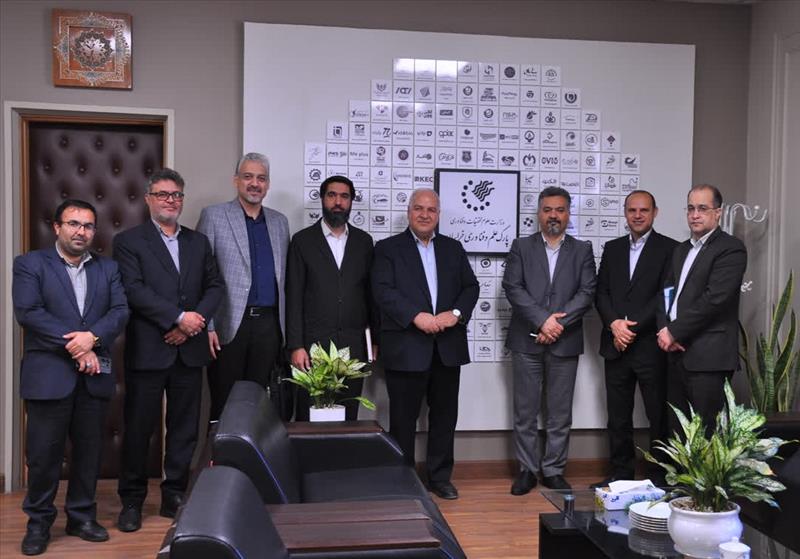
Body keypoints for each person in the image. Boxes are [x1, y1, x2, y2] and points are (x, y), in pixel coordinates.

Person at [12, 199, 129, 555]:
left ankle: (81, 517)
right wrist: (79, 347)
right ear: (57, 227)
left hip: (93, 379)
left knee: (89, 453)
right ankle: (38, 524)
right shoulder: (30, 264)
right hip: (49, 376)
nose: (81, 231)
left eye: (88, 226)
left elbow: (120, 310)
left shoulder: (108, 268)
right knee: (43, 456)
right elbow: (29, 312)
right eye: (74, 224)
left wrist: (92, 338)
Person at [113, 168, 223, 532]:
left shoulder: (198, 242)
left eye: (176, 195)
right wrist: (178, 318)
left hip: (189, 351)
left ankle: (174, 493)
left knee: (184, 428)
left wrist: (194, 322)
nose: (170, 201)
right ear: (148, 199)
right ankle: (132, 500)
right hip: (150, 348)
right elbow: (134, 290)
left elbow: (215, 286)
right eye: (162, 194)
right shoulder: (129, 242)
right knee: (139, 428)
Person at [371, 188, 478, 500]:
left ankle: (440, 478)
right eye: (419, 208)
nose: (424, 214)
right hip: (406, 346)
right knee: (402, 420)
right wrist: (415, 316)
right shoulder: (387, 249)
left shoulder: (453, 249)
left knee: (445, 418)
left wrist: (454, 315)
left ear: (438, 214)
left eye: (431, 209)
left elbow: (471, 287)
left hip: (447, 348)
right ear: (409, 212)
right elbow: (382, 290)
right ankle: (402, 480)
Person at [503, 186, 596, 495]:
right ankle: (527, 470)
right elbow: (513, 287)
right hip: (526, 340)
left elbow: (587, 292)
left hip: (564, 342)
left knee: (560, 413)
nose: (553, 215)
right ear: (539, 213)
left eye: (560, 210)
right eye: (547, 210)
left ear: (568, 214)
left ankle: (554, 470)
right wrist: (543, 320)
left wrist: (557, 324)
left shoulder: (582, 250)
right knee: (525, 412)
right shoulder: (521, 246)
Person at [592, 190, 677, 487]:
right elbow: (601, 292)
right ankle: (621, 475)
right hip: (615, 345)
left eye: (644, 210)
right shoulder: (612, 248)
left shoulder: (670, 249)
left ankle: (660, 476)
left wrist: (630, 329)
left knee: (658, 416)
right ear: (625, 213)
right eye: (632, 210)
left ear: (655, 212)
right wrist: (615, 325)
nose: (637, 215)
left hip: (650, 347)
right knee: (617, 416)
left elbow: (665, 297)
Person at [196, 152, 289, 421]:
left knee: (259, 406)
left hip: (269, 327)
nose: (254, 184)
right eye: (248, 177)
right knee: (224, 404)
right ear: (236, 180)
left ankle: (253, 450)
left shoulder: (279, 222)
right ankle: (221, 450)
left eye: (261, 178)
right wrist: (208, 326)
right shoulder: (214, 216)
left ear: (268, 184)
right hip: (229, 325)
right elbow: (201, 275)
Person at [657, 184, 747, 433]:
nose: (695, 215)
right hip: (675, 353)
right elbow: (666, 293)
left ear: (718, 213)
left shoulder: (730, 248)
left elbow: (715, 299)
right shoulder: (681, 250)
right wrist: (664, 329)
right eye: (691, 208)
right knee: (677, 433)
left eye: (702, 208)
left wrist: (674, 331)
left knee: (706, 435)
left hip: (709, 357)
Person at [286, 175, 378, 420]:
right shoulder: (302, 241)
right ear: (322, 199)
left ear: (351, 201)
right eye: (332, 195)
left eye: (344, 196)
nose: (338, 202)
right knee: (310, 416)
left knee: (348, 417)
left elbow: (370, 295)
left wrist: (374, 341)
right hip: (313, 348)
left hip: (353, 347)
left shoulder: (364, 242)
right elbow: (293, 296)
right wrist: (296, 346)